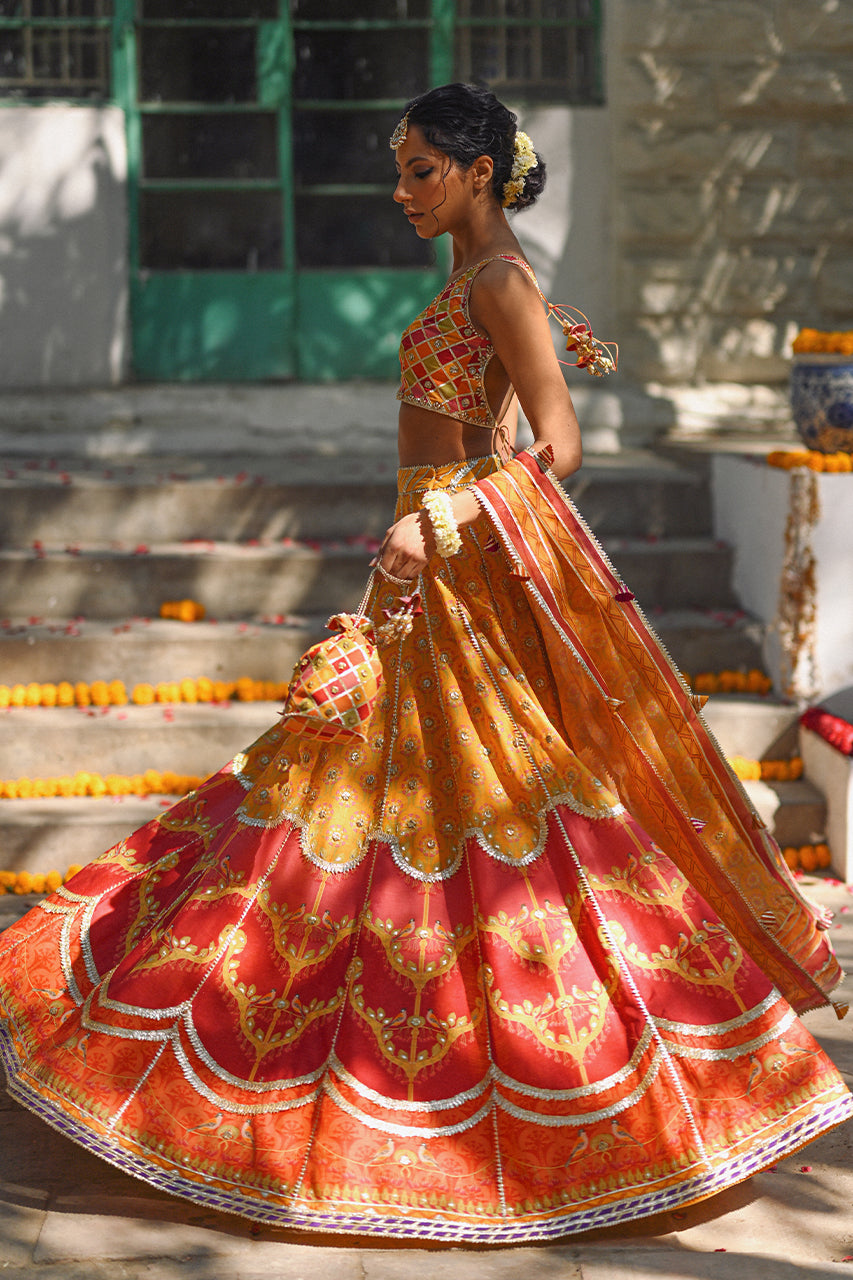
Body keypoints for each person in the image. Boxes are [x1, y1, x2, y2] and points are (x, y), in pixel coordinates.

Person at [0, 83, 850, 1245]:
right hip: (425, 571)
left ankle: (566, 1083)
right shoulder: (471, 278)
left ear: (480, 173)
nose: (400, 191)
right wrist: (418, 536)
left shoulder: (499, 282)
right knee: (361, 801)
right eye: (398, 169)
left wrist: (441, 521)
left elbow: (561, 444)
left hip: (452, 571)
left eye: (421, 171)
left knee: (455, 818)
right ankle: (301, 1045)